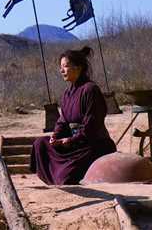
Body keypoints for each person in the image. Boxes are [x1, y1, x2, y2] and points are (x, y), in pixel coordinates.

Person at [30, 46, 116, 185]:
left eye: (65, 66)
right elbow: (63, 120)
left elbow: (92, 125)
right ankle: (55, 177)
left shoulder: (90, 90)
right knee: (40, 143)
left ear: (78, 67)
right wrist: (56, 136)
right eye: (61, 67)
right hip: (73, 144)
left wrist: (70, 140)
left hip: (92, 144)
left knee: (66, 176)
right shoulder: (67, 93)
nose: (61, 70)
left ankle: (62, 177)